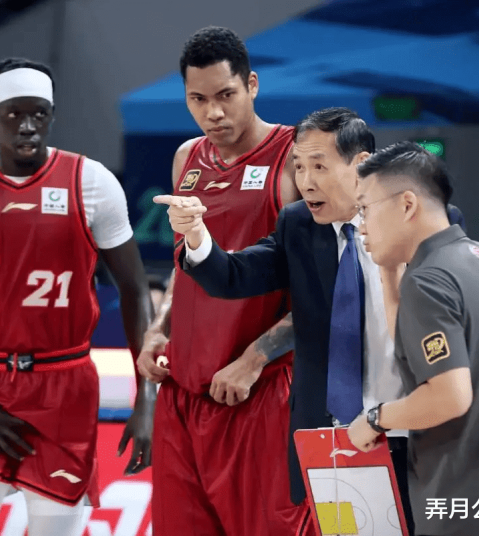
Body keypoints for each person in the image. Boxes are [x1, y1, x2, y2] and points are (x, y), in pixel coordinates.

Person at [156, 107, 466, 535]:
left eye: (319, 166)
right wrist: (195, 234)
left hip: (412, 431)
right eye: (299, 166)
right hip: (332, 443)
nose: (305, 181)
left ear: (360, 164)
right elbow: (232, 276)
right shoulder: (299, 225)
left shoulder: (422, 220)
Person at [0, 57, 155, 536]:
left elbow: (134, 289)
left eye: (39, 114)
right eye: (14, 114)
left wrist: (146, 400)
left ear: (51, 116)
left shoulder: (91, 182)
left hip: (62, 385)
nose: (27, 126)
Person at [137, 26, 308, 536]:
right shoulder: (186, 158)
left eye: (226, 95)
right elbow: (184, 266)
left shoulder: (295, 158)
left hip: (258, 394)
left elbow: (325, 286)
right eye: (198, 99)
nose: (213, 112)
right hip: (183, 395)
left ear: (252, 85)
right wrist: (160, 328)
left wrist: (254, 359)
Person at [348, 141, 479, 536]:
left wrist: (375, 419)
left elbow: (450, 396)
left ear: (407, 205)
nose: (361, 226)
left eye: (365, 209)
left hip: (462, 508)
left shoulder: (428, 281)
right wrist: (389, 270)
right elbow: (415, 346)